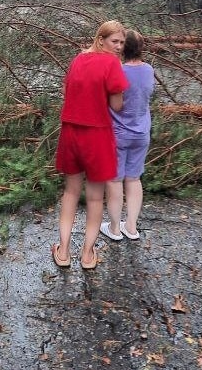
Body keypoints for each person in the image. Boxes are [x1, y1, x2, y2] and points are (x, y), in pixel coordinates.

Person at [52, 20, 128, 270]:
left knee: (71, 192)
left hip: (71, 131)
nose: (118, 47)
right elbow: (117, 105)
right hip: (96, 134)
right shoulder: (112, 64)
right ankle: (86, 255)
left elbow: (68, 90)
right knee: (95, 198)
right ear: (100, 39)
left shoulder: (78, 59)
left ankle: (63, 252)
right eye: (114, 41)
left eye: (122, 43)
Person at [100, 29, 155, 242]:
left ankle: (114, 228)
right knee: (134, 179)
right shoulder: (149, 70)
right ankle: (131, 227)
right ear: (141, 48)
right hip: (142, 133)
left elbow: (110, 101)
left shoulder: (118, 71)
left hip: (117, 134)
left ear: (123, 47)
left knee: (114, 181)